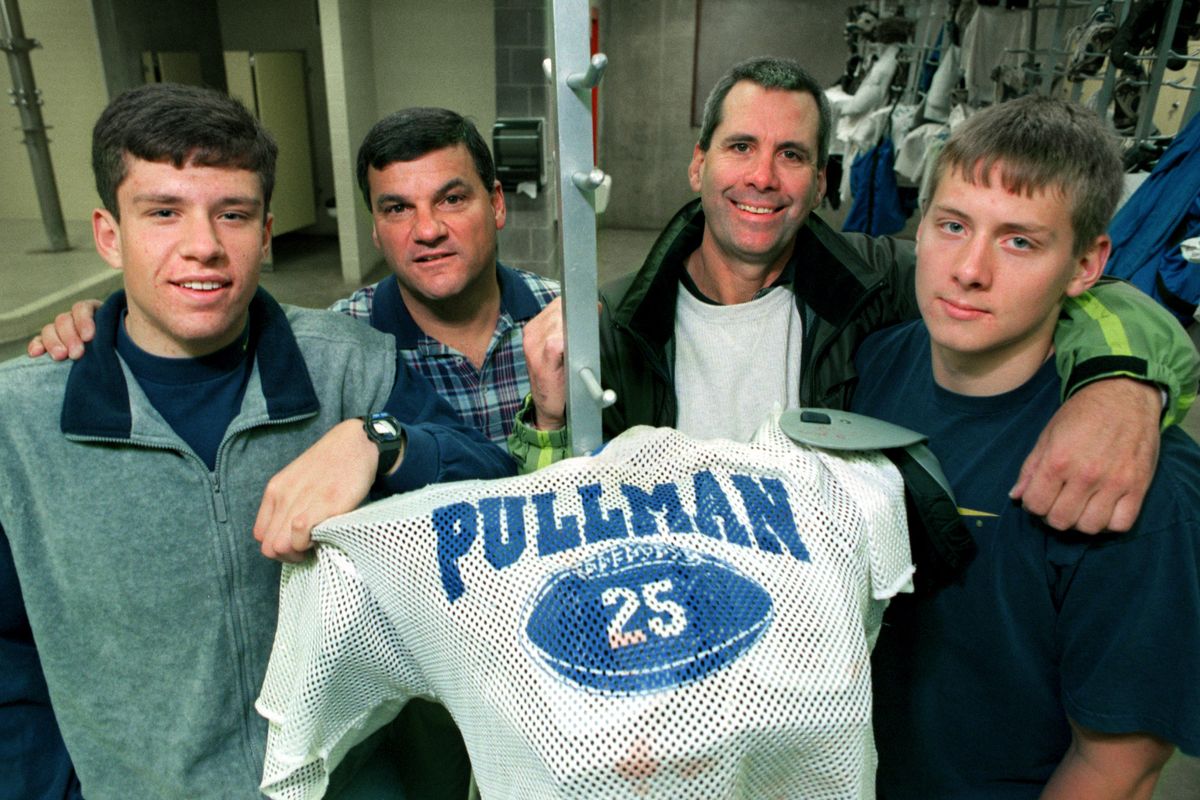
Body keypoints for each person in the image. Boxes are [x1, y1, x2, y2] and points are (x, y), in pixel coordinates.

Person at [0, 83, 511, 798]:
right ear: (109, 234)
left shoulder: (348, 365)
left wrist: (380, 441)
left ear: (266, 232)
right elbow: (8, 661)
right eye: (163, 213)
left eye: (232, 214)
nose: (202, 246)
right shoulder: (17, 422)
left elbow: (495, 491)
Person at [518, 55, 1199, 535]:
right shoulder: (617, 319)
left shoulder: (874, 282)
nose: (763, 176)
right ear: (699, 164)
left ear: (820, 183)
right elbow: (545, 511)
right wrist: (548, 418)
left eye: (792, 155)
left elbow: (1096, 296)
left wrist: (1120, 387)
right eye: (740, 146)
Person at [852, 94, 1200, 798]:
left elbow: (1117, 767)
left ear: (1084, 265)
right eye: (952, 226)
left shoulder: (1132, 478)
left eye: (1019, 241)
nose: (969, 269)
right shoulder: (871, 366)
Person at [31, 106, 559, 448]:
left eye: (451, 199)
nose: (427, 230)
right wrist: (112, 326)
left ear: (495, 204)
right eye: (397, 209)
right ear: (375, 229)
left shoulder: (569, 317)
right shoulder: (342, 347)